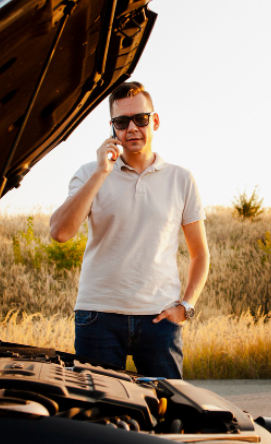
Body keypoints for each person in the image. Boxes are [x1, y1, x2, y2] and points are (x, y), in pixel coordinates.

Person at [49, 81, 209, 378]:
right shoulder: (88, 173)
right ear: (112, 128)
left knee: (168, 411)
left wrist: (186, 307)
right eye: (122, 122)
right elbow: (60, 233)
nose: (132, 128)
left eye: (140, 119)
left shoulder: (181, 179)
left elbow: (200, 254)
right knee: (97, 416)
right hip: (98, 316)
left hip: (159, 318)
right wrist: (101, 172)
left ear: (155, 121)